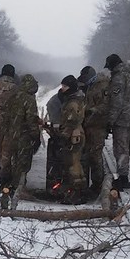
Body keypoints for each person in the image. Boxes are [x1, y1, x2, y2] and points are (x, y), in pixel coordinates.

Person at [4, 74, 41, 200]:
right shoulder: (29, 99)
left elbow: (6, 116)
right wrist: (36, 135)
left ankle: (13, 186)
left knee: (15, 160)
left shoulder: (13, 97)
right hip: (24, 136)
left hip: (12, 134)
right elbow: (32, 120)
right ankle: (19, 188)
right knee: (24, 163)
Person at [105, 54, 130, 191]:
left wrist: (110, 120)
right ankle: (123, 176)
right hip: (128, 115)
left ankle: (122, 178)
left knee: (120, 148)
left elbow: (116, 102)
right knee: (123, 147)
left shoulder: (118, 78)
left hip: (120, 117)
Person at [78, 66, 110, 196]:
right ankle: (83, 183)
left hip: (98, 126)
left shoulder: (103, 87)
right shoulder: (88, 87)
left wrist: (93, 110)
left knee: (95, 156)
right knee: (84, 155)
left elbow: (106, 105)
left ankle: (97, 185)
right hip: (86, 125)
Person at [56, 75, 87, 205]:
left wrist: (63, 135)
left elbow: (72, 121)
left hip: (74, 136)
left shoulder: (73, 103)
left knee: (73, 165)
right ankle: (77, 192)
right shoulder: (74, 99)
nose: (62, 89)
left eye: (65, 86)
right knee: (75, 164)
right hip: (75, 134)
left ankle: (75, 195)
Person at [44, 89, 65, 196]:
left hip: (60, 135)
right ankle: (58, 186)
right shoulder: (55, 102)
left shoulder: (54, 101)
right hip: (62, 136)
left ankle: (55, 185)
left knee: (55, 162)